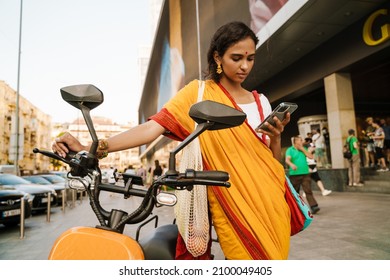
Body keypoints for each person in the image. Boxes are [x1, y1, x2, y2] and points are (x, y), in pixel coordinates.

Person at [52, 21, 292, 260]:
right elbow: (151, 129)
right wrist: (92, 148)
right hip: (223, 196)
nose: (244, 66)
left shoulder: (261, 103)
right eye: (236, 58)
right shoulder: (197, 94)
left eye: (250, 58)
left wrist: (276, 137)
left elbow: (273, 165)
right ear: (218, 57)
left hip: (270, 202)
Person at [285, 135, 320, 214]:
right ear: (295, 142)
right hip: (294, 174)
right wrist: (291, 164)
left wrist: (303, 150)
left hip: (305, 173)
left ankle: (314, 206)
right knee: (294, 192)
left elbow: (311, 157)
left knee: (308, 190)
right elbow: (287, 160)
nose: (302, 142)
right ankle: (293, 208)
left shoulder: (304, 149)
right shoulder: (290, 150)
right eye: (300, 141)